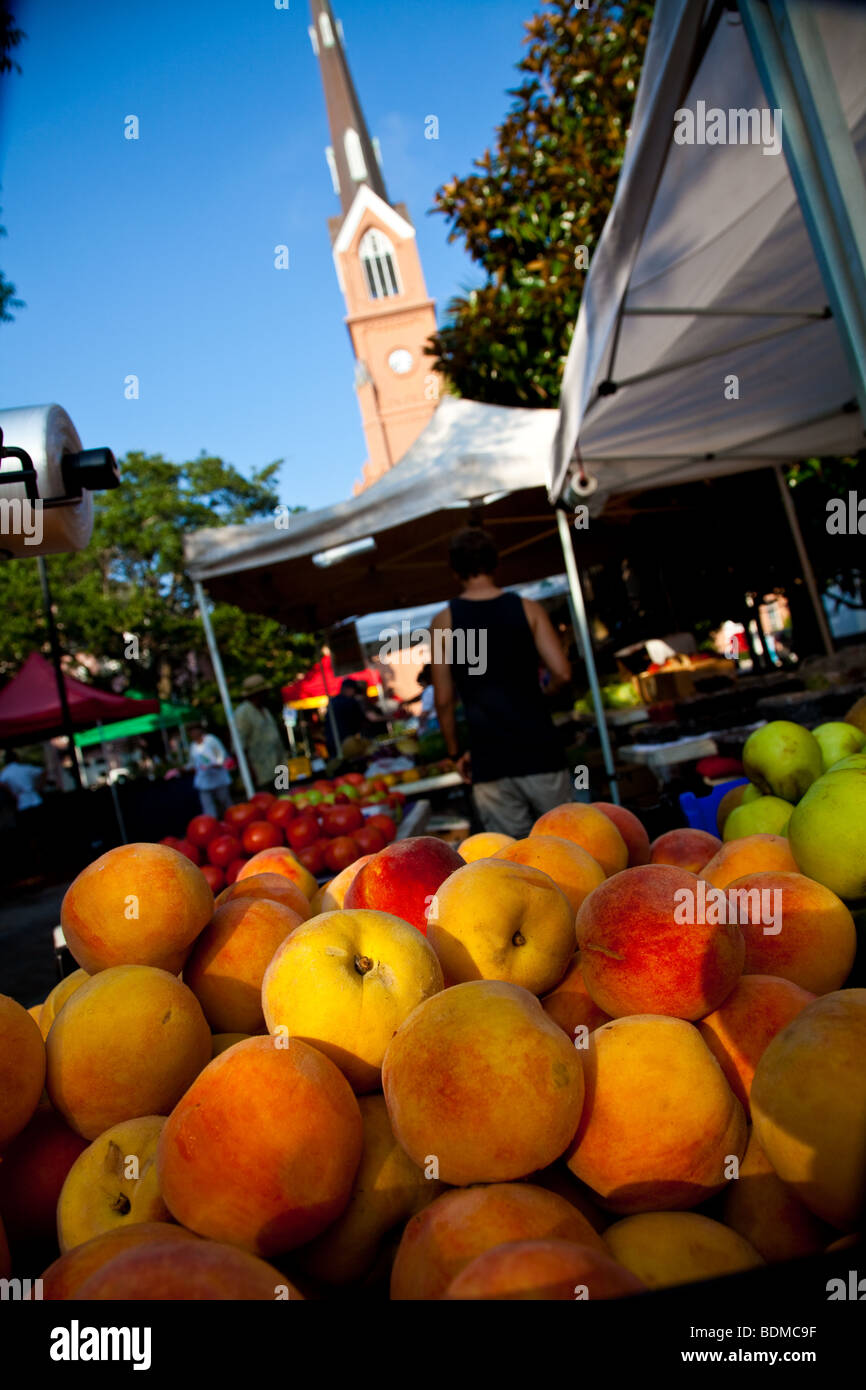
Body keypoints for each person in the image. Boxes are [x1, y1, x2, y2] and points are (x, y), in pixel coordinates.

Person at [430, 526, 574, 838]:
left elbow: (443, 699)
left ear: (455, 572)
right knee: (567, 848)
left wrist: (456, 753)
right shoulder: (528, 608)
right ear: (496, 564)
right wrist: (545, 693)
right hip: (542, 751)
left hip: (490, 761)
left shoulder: (445, 621)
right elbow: (562, 673)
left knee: (513, 861)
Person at [234, 674, 286, 789]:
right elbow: (239, 747)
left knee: (284, 798)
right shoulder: (243, 713)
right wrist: (250, 773)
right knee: (267, 802)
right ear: (258, 693)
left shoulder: (265, 710)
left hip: (279, 767)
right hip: (261, 774)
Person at [187, 724, 232, 818]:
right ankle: (211, 822)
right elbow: (192, 763)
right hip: (203, 780)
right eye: (191, 732)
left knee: (224, 800)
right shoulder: (192, 746)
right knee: (207, 806)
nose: (193, 733)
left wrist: (218, 763)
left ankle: (232, 818)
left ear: (200, 730)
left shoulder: (211, 740)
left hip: (218, 777)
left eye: (195, 730)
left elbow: (221, 754)